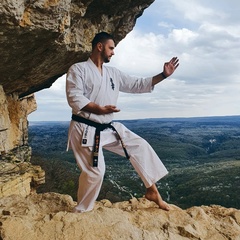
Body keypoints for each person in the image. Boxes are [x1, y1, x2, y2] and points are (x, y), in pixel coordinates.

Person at [66, 31, 179, 213]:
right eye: (111, 48)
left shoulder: (113, 73)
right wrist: (99, 109)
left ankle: (152, 191)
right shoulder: (78, 69)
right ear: (100, 46)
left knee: (140, 146)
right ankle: (81, 211)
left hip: (107, 127)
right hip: (85, 128)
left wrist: (163, 75)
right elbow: (74, 97)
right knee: (96, 172)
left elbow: (137, 84)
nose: (113, 52)